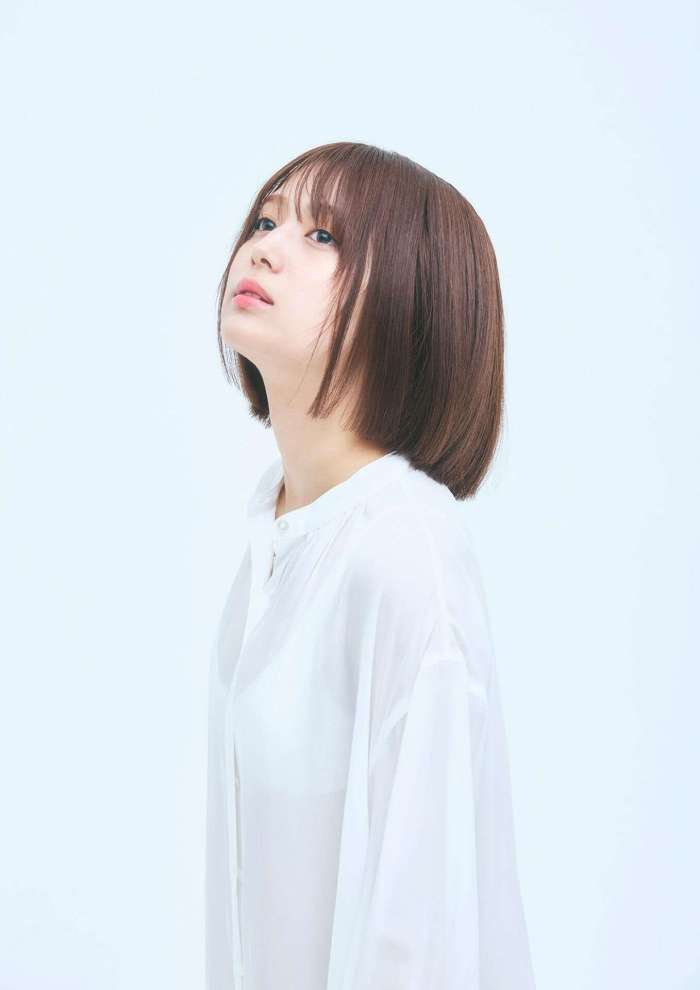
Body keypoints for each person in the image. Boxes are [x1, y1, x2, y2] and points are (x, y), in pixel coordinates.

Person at [205, 141, 536, 990]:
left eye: (323, 236)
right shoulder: (277, 544)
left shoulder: (402, 552)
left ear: (411, 303)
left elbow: (421, 937)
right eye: (266, 220)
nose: (265, 248)